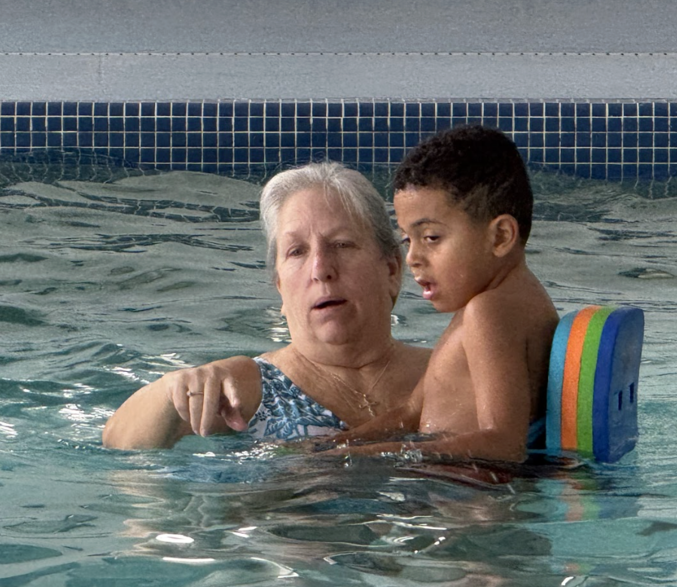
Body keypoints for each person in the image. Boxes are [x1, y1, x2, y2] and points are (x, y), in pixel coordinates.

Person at [102, 161, 431, 450]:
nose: (320, 269)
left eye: (341, 244)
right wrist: (174, 390)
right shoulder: (247, 388)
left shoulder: (448, 371)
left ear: (391, 269)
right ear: (280, 287)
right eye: (296, 252)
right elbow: (118, 441)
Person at [338, 124, 560, 463]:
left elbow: (504, 445)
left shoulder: (490, 313)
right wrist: (341, 448)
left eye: (431, 237)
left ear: (500, 236)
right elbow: (412, 412)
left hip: (463, 500)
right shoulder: (504, 301)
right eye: (406, 239)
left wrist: (377, 457)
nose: (412, 257)